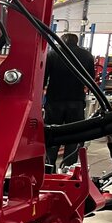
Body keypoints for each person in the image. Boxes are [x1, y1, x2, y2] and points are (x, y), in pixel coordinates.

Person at [45, 32, 96, 170]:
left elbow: (44, 77)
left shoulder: (52, 54)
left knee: (51, 134)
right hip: (76, 101)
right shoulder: (86, 55)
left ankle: (48, 166)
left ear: (61, 40)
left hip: (54, 101)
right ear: (76, 41)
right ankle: (68, 167)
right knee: (74, 135)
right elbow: (90, 79)